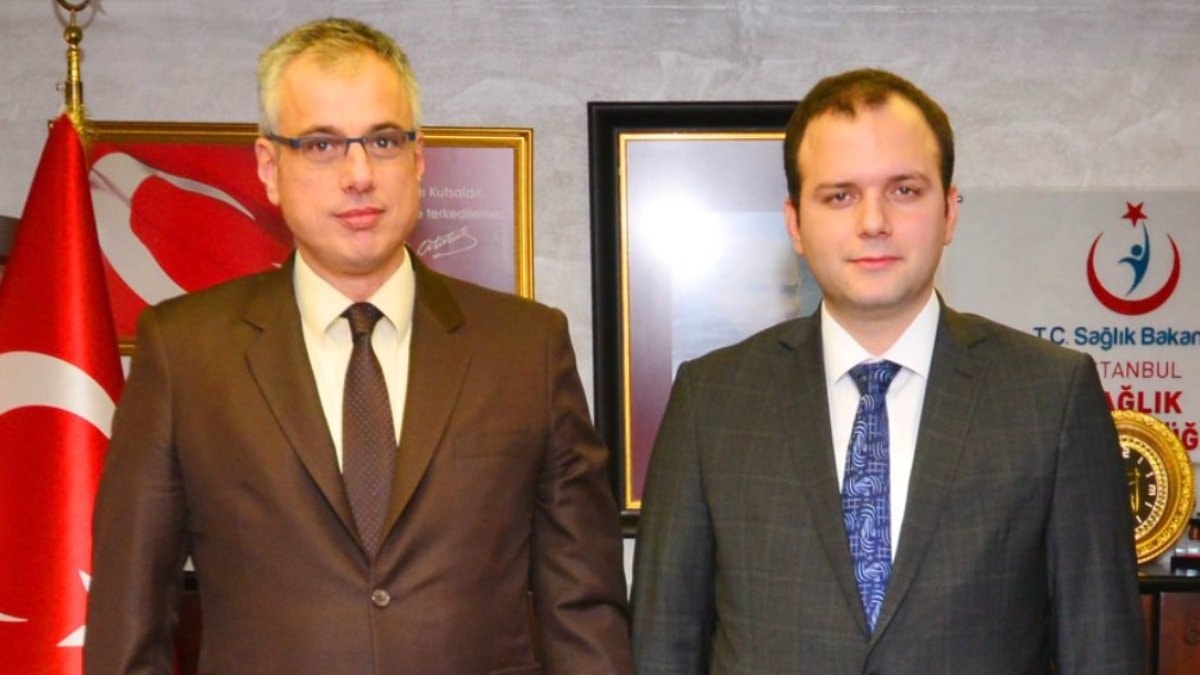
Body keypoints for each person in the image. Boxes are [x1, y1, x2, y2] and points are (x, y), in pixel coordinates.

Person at [85, 17, 631, 674]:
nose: (359, 174)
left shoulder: (526, 348)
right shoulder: (185, 352)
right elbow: (129, 618)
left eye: (383, 140)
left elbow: (584, 612)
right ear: (270, 167)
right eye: (321, 145)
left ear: (419, 159)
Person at [630, 68, 1143, 674]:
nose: (873, 222)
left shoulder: (1051, 396)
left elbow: (1101, 648)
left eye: (904, 190)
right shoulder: (712, 400)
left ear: (949, 212)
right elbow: (663, 646)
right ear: (795, 223)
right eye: (839, 195)